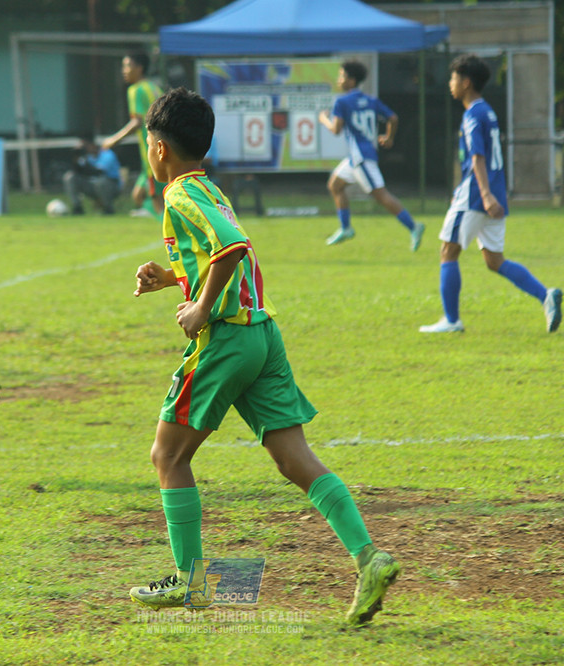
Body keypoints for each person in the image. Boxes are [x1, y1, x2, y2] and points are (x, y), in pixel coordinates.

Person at [129, 87, 400, 626]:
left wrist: (201, 307)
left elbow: (233, 247)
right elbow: (217, 254)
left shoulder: (179, 194)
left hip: (228, 338)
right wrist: (174, 279)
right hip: (263, 335)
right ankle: (370, 558)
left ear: (158, 149)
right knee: (293, 458)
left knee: (168, 457)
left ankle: (191, 583)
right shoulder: (209, 187)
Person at [420, 55, 563, 334]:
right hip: (493, 193)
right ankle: (546, 296)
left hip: (478, 195)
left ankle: (451, 320)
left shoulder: (473, 114)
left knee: (448, 251)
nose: (450, 83)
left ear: (466, 82)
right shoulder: (488, 111)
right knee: (494, 260)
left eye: (453, 78)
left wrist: (482, 194)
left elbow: (477, 157)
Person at [318, 60, 424, 250]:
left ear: (351, 80)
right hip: (358, 156)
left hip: (361, 158)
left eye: (342, 76)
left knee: (381, 196)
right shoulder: (370, 100)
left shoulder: (342, 102)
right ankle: (346, 228)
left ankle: (414, 226)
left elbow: (336, 129)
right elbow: (393, 117)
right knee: (335, 185)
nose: (339, 80)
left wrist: (324, 119)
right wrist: (389, 138)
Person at [101, 52, 164, 216]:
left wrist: (113, 140)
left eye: (127, 66)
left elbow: (137, 122)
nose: (124, 70)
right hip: (165, 147)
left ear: (139, 68)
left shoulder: (136, 90)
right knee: (138, 196)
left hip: (152, 151)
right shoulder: (154, 87)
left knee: (157, 198)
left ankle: (170, 234)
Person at [62, 136, 121, 215]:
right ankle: (77, 207)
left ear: (93, 145)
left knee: (101, 182)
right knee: (70, 177)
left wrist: (84, 165)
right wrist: (76, 158)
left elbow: (98, 172)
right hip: (93, 186)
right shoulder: (86, 156)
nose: (85, 149)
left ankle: (108, 208)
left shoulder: (107, 154)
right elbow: (78, 172)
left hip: (111, 186)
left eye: (86, 146)